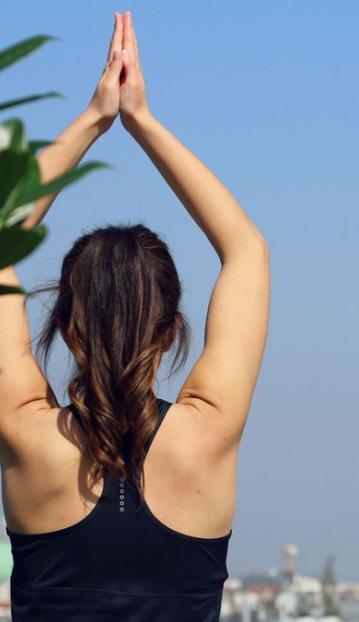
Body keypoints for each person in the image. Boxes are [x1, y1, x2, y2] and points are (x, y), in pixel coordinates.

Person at [0, 11, 270, 620]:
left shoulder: (25, 432)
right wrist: (141, 120)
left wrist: (94, 119)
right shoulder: (209, 434)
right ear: (171, 330)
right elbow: (247, 250)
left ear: (66, 326)